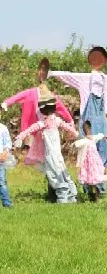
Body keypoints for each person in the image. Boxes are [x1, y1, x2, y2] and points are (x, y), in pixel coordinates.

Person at [48, 46, 107, 197]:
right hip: (88, 124)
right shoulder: (85, 79)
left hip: (100, 123)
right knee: (86, 154)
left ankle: (100, 188)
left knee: (101, 155)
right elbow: (68, 75)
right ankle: (88, 188)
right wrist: (51, 74)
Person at [1, 58, 75, 201]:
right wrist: (6, 103)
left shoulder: (51, 100)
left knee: (53, 161)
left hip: (49, 136)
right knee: (48, 162)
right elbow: (18, 97)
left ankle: (60, 192)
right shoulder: (32, 93)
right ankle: (57, 192)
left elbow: (62, 109)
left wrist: (70, 122)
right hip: (39, 135)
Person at [13, 97, 79, 204]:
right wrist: (76, 134)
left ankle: (64, 194)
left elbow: (29, 130)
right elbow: (68, 128)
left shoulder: (43, 123)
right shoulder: (54, 121)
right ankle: (69, 193)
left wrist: (20, 137)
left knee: (54, 171)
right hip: (55, 152)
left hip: (52, 152)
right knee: (60, 169)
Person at [73, 120, 107, 202]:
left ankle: (96, 197)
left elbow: (100, 135)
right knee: (88, 179)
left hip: (94, 163)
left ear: (90, 128)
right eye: (85, 128)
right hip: (87, 164)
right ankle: (90, 195)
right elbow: (76, 144)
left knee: (94, 180)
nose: (86, 130)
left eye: (87, 128)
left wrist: (103, 136)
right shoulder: (84, 140)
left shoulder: (92, 138)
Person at [0, 116, 13, 208]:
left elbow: (8, 143)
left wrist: (5, 153)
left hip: (0, 158)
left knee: (2, 181)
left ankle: (6, 203)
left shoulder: (3, 128)